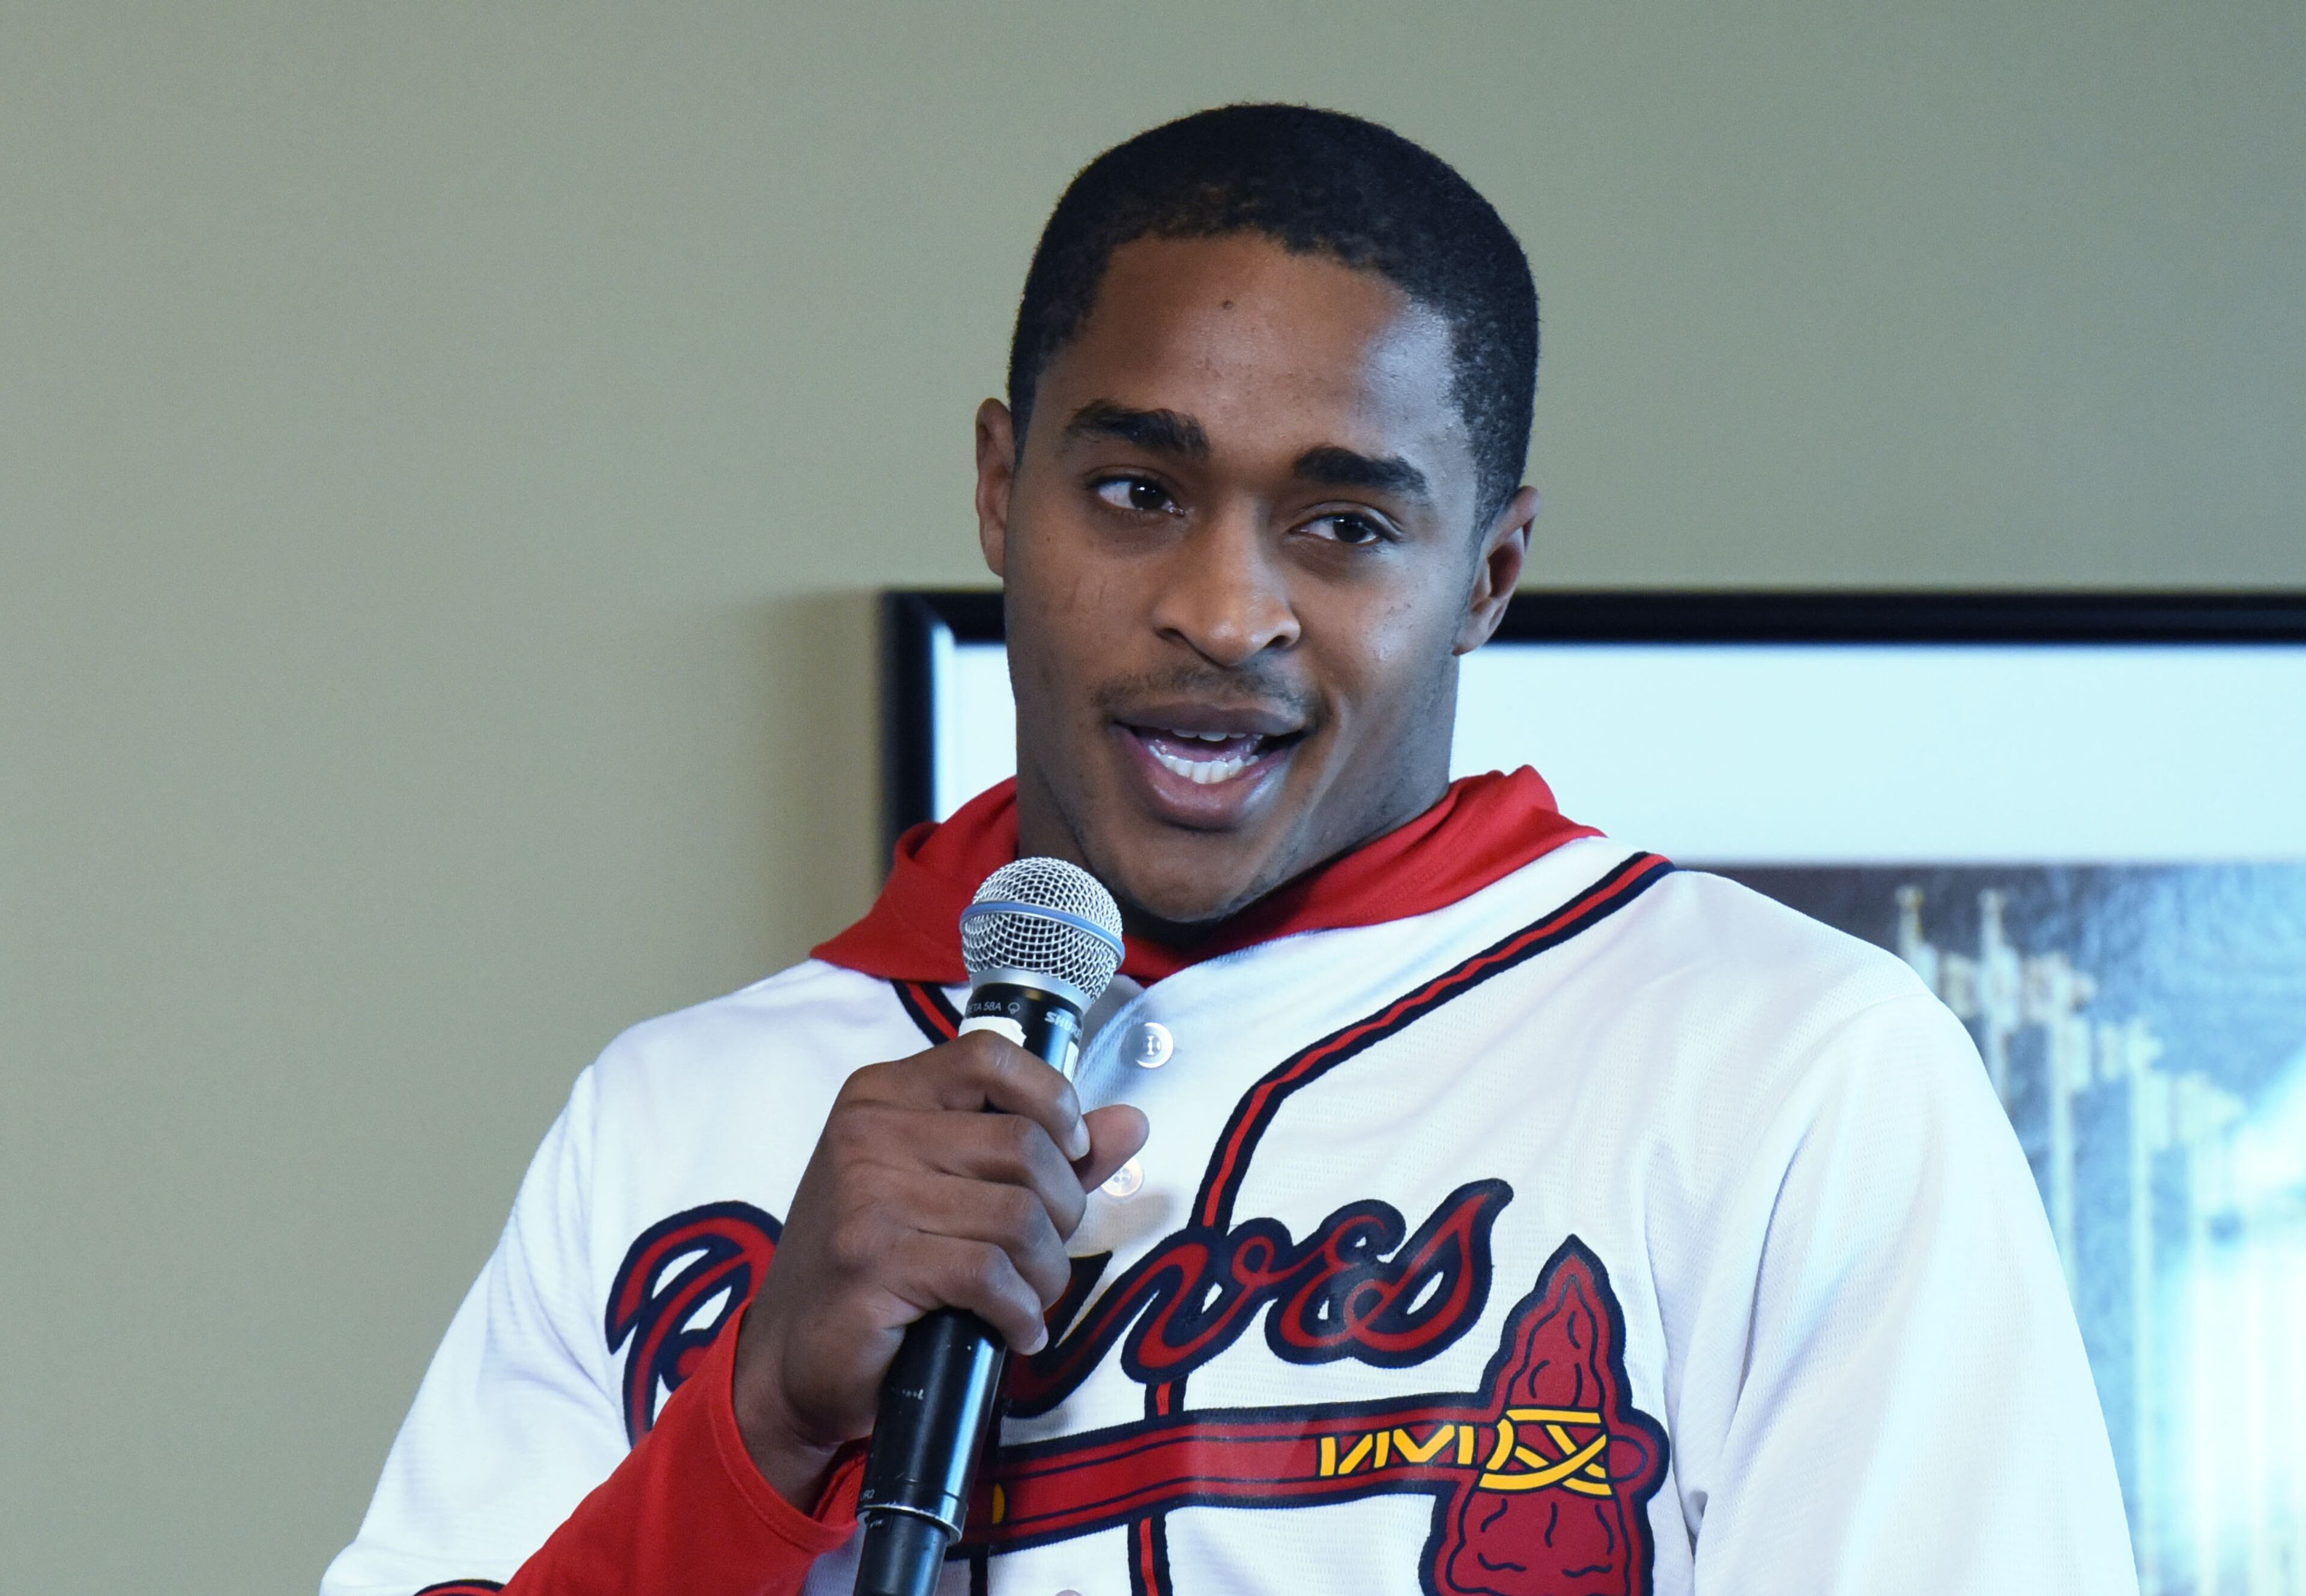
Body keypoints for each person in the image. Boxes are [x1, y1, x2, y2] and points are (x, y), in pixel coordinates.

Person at [323, 104, 2135, 1596]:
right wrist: (760, 1423)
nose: (1222, 606)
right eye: (1137, 492)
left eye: (1345, 523)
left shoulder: (1787, 1066)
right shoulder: (673, 1116)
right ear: (997, 488)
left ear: (1486, 575)